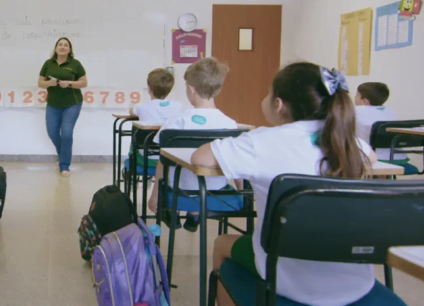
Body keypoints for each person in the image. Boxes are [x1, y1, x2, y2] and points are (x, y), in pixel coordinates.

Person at [191, 62, 377, 306]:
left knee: (221, 244)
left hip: (288, 278)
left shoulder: (261, 142)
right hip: (357, 282)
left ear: (278, 105)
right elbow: (371, 157)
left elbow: (199, 158)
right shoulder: (350, 144)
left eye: (269, 92)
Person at [147, 58, 237, 232]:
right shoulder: (230, 125)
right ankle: (195, 213)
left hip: (181, 190)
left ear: (190, 89)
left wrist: (155, 196)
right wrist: (244, 194)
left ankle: (173, 210)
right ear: (218, 89)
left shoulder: (175, 123)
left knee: (179, 178)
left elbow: (162, 163)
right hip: (216, 191)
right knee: (203, 182)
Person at [38, 37, 88, 177]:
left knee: (66, 133)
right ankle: (63, 156)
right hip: (53, 103)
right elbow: (40, 82)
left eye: (66, 45)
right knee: (52, 132)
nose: (62, 47)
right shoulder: (48, 64)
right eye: (60, 44)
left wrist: (70, 83)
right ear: (55, 48)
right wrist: (49, 83)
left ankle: (64, 165)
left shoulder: (75, 64)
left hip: (72, 103)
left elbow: (84, 82)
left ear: (69, 49)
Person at [127, 67, 184, 172]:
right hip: (171, 159)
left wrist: (131, 108)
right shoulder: (178, 106)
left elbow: (132, 112)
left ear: (149, 88)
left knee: (135, 130)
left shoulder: (142, 107)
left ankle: (131, 165)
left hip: (146, 159)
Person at [354, 82, 416, 173]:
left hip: (371, 158)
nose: (354, 98)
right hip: (397, 158)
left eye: (356, 96)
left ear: (364, 101)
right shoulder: (391, 112)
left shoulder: (356, 111)